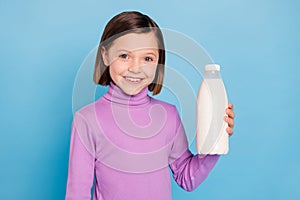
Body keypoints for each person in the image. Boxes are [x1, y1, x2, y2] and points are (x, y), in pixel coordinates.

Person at [65, 11, 235, 200]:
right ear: (105, 56)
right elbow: (77, 194)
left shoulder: (168, 116)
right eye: (124, 56)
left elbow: (188, 178)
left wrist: (215, 141)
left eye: (147, 58)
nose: (136, 68)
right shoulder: (87, 120)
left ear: (158, 63)